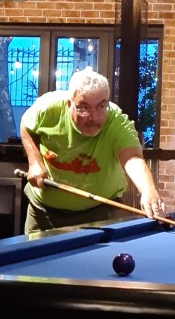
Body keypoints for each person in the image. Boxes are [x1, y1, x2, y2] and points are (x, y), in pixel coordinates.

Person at [19, 68, 166, 235]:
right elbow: (26, 124)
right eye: (84, 108)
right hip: (43, 211)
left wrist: (148, 189)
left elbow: (132, 158)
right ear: (69, 104)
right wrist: (34, 162)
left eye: (101, 106)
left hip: (100, 211)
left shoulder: (116, 121)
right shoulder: (48, 108)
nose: (94, 117)